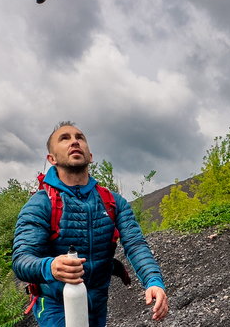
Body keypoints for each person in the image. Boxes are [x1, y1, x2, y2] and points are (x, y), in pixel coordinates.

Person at [13, 121, 168, 326]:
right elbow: (21, 259)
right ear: (52, 159)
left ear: (90, 156)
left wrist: (154, 281)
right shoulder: (41, 203)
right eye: (64, 138)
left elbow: (135, 244)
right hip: (54, 304)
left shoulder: (113, 201)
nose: (74, 141)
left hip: (98, 302)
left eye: (80, 137)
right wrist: (50, 266)